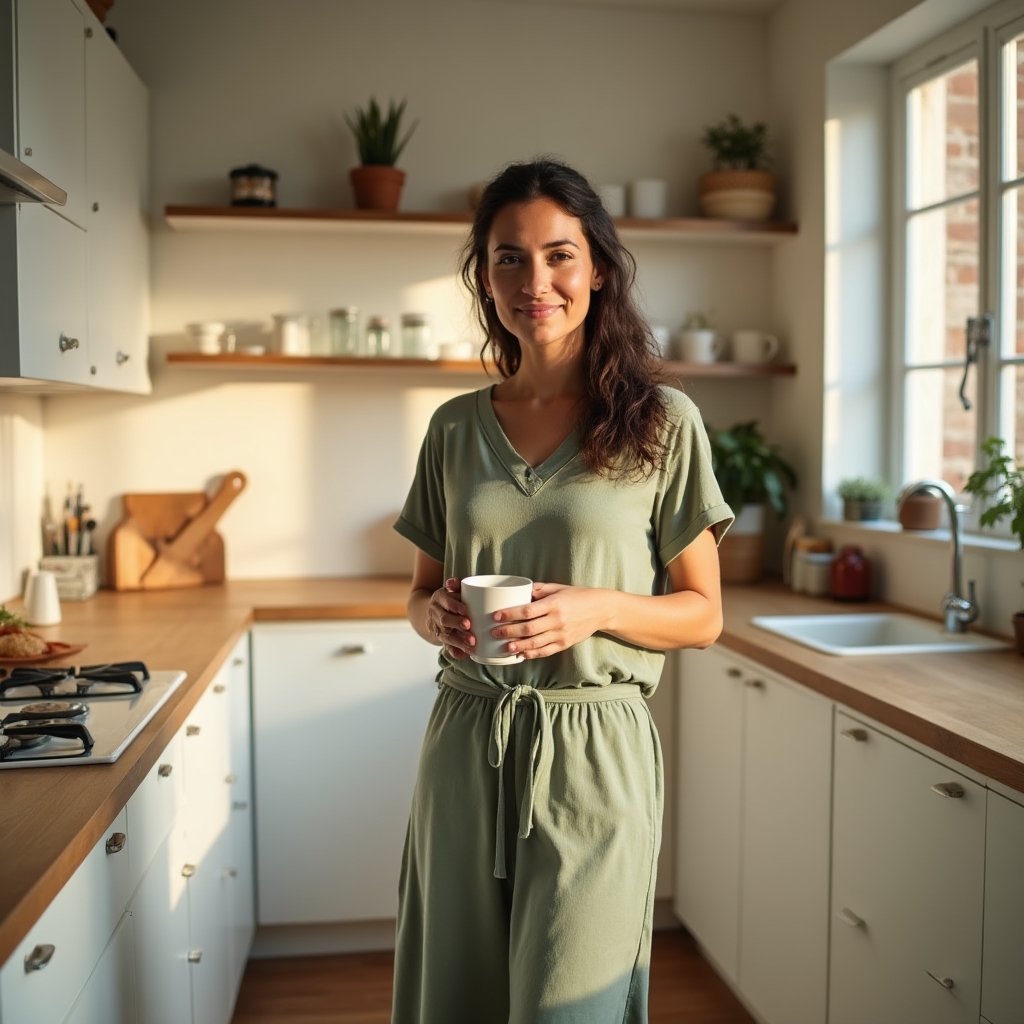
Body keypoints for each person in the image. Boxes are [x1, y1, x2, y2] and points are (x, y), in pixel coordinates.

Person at [391, 159, 734, 1024]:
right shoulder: (454, 428)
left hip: (593, 751)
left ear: (599, 269)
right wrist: (432, 618)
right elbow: (421, 593)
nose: (533, 281)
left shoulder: (661, 421)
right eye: (508, 258)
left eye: (558, 256)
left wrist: (599, 607)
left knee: (569, 1003)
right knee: (454, 996)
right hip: (467, 743)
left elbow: (703, 614)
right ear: (485, 277)